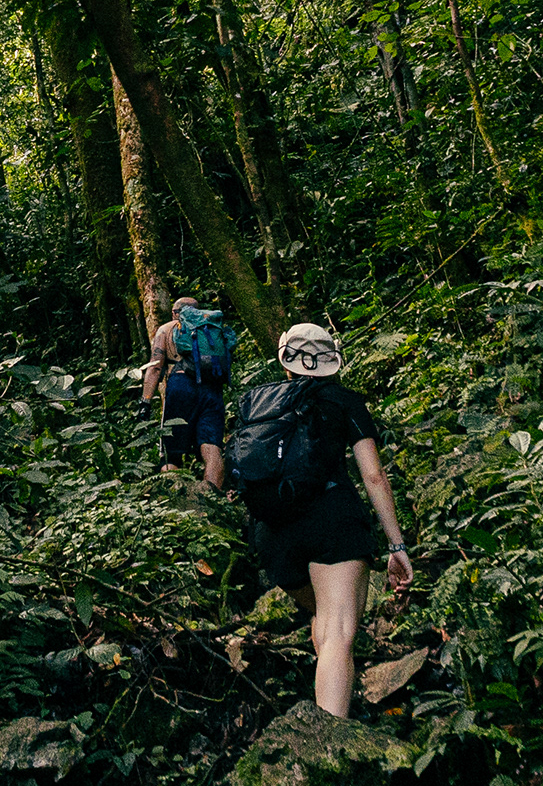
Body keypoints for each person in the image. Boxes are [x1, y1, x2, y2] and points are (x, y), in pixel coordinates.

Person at [212, 320, 414, 719]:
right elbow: (373, 474)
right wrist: (397, 545)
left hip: (273, 535)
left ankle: (328, 711)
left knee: (325, 619)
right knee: (339, 632)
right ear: (331, 362)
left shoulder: (260, 403)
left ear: (285, 361)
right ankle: (329, 744)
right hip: (333, 525)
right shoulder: (344, 401)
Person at [143, 293, 233, 483]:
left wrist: (146, 400)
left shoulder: (166, 329)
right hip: (212, 388)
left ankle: (174, 504)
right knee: (212, 446)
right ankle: (213, 500)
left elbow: (155, 367)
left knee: (171, 451)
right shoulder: (210, 329)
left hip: (180, 388)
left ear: (175, 312)